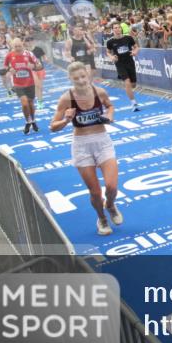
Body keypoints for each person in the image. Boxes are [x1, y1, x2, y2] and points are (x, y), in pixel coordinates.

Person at [49, 61, 122, 236]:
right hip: (81, 145)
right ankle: (102, 219)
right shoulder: (66, 98)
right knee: (95, 193)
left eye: (83, 76)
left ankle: (110, 206)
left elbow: (110, 105)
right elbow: (53, 126)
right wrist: (66, 120)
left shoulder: (99, 91)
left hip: (102, 141)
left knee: (111, 187)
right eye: (76, 79)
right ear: (70, 79)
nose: (81, 81)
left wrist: (110, 116)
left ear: (87, 75)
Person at [4, 37, 42, 134]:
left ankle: (33, 121)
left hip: (30, 83)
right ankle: (27, 121)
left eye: (19, 46)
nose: (18, 48)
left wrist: (33, 66)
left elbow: (39, 65)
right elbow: (5, 66)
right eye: (16, 46)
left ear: (22, 44)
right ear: (13, 46)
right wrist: (9, 69)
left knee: (30, 103)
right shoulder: (9, 55)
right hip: (18, 84)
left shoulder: (29, 54)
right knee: (24, 103)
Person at [105, 23, 141, 111]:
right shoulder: (110, 42)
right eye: (115, 28)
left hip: (130, 62)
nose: (117, 29)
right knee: (127, 82)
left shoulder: (128, 38)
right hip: (119, 63)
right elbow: (108, 52)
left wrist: (135, 52)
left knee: (133, 84)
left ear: (121, 29)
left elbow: (136, 47)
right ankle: (134, 103)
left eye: (118, 28)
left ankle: (129, 89)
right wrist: (112, 57)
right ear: (112, 30)